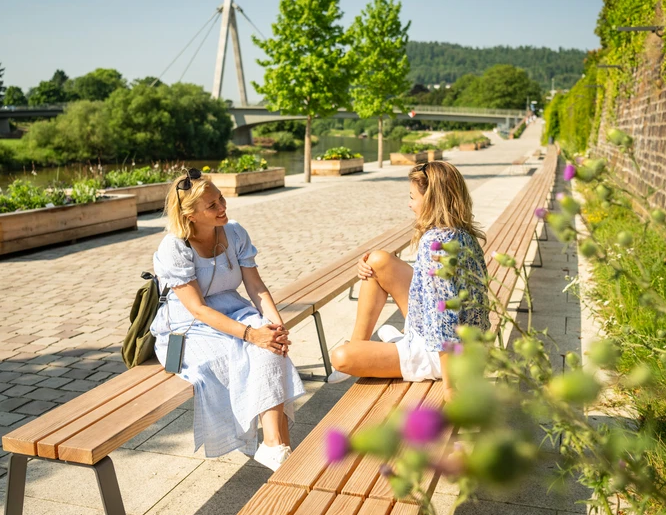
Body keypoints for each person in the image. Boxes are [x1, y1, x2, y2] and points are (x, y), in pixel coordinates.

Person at [150, 168, 305, 471]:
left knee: (272, 344)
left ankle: (275, 448)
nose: (222, 208)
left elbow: (256, 287)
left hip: (234, 310)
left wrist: (275, 325)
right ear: (190, 215)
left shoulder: (234, 232)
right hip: (189, 328)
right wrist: (252, 334)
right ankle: (280, 451)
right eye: (212, 206)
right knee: (252, 349)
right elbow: (197, 310)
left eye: (221, 199)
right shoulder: (174, 247)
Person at [328, 161, 490, 402]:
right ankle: (371, 343)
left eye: (413, 197)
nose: (409, 203)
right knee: (377, 260)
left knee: (341, 358)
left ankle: (383, 346)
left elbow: (443, 317)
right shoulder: (461, 233)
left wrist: (450, 387)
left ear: (432, 200)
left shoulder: (435, 245)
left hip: (443, 354)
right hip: (465, 341)